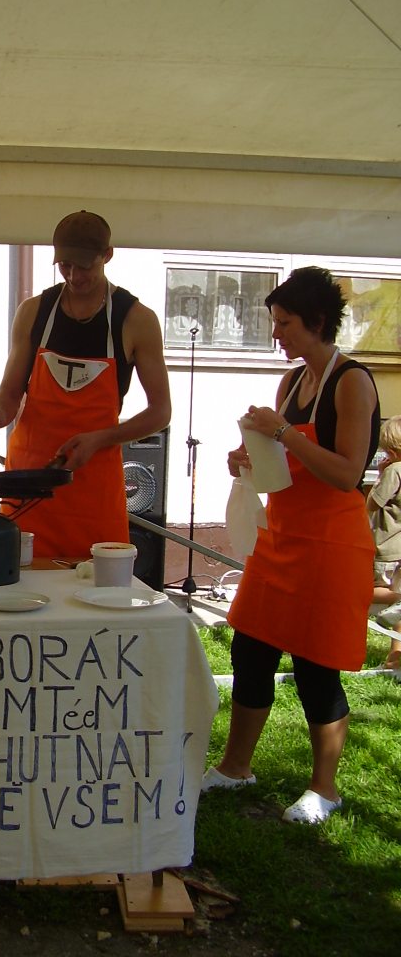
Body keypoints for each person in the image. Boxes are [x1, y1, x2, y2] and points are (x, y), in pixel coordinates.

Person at [201, 266, 380, 824]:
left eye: (284, 323)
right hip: (281, 539)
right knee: (250, 648)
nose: (276, 333)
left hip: (331, 546)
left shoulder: (352, 381)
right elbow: (281, 471)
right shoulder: (291, 383)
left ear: (317, 322)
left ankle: (325, 788)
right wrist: (246, 460)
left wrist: (280, 432)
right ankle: (236, 766)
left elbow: (347, 474)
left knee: (315, 666)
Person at [0, 210, 171, 558]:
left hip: (94, 487)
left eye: (84, 266)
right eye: (65, 265)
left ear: (107, 255)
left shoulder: (136, 320)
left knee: (98, 581)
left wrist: (100, 438)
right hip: (29, 484)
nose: (74, 276)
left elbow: (161, 412)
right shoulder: (34, 312)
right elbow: (9, 394)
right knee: (21, 576)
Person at [366, 415, 401, 668]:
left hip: (387, 548)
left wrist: (380, 476)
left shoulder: (393, 471)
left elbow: (372, 503)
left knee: (370, 591)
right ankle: (395, 657)